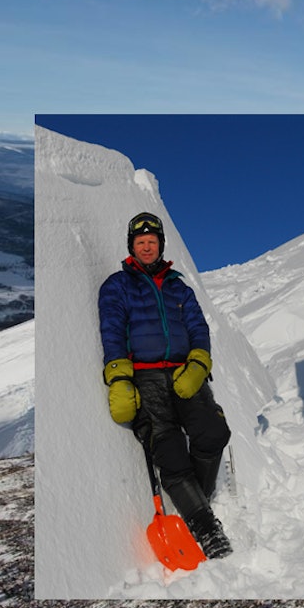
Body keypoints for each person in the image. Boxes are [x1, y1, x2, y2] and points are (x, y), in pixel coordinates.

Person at [98, 212, 233, 559]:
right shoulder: (117, 285)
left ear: (160, 246)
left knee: (214, 433)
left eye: (152, 242)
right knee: (170, 451)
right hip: (145, 379)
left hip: (184, 373)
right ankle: (206, 528)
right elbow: (112, 332)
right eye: (140, 242)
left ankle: (195, 500)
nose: (146, 247)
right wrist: (119, 378)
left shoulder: (179, 287)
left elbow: (198, 328)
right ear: (132, 247)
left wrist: (199, 362)